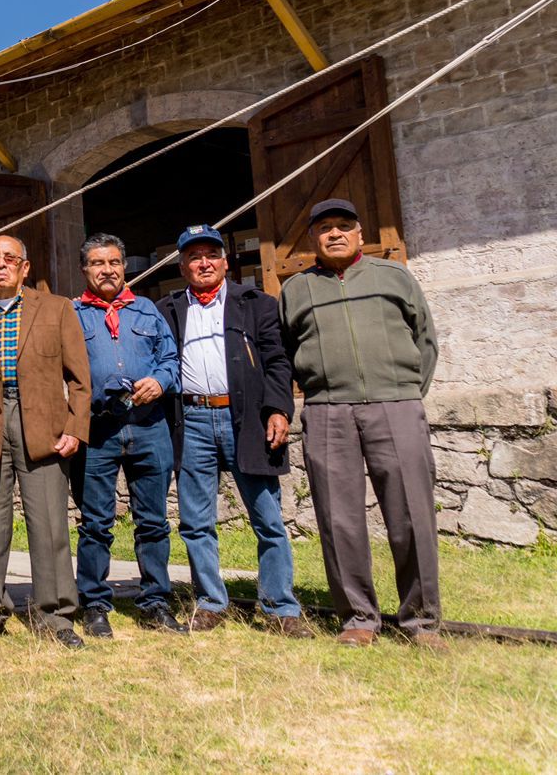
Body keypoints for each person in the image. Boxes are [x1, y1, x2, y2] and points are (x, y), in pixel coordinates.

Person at [279, 199, 443, 649]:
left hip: (396, 405)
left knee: (411, 515)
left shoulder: (394, 277)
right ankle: (357, 618)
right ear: (313, 238)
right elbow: (288, 350)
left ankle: (422, 620)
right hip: (328, 410)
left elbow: (425, 338)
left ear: (359, 232)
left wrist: (405, 390)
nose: (334, 234)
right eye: (325, 228)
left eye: (343, 227)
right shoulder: (296, 289)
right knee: (339, 518)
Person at [156, 224, 312, 638]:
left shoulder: (256, 304)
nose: (203, 263)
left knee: (268, 518)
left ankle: (280, 606)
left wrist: (279, 408)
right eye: (194, 256)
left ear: (225, 261)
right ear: (183, 264)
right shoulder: (168, 309)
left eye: (211, 254)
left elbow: (278, 361)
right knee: (195, 521)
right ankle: (210, 601)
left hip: (245, 420)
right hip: (191, 422)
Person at [0, 235, 90, 648]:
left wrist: (76, 428)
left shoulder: (58, 309)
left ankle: (56, 616)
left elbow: (80, 379)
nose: (2, 265)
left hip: (44, 424)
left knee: (49, 526)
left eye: (10, 259)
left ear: (25, 268)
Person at [71, 233, 184, 637]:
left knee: (153, 522)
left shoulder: (148, 311)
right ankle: (95, 604)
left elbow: (171, 360)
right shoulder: (73, 314)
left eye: (114, 262)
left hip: (148, 427)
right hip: (97, 430)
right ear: (85, 269)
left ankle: (155, 601)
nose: (107, 270)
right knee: (95, 524)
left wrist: (159, 379)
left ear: (123, 267)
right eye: (98, 263)